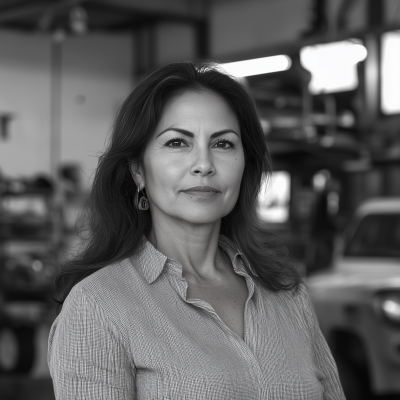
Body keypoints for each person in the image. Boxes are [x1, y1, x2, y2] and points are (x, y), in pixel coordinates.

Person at [48, 61, 345, 400]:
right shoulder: (97, 306)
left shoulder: (287, 295)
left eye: (223, 144)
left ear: (244, 165)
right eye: (177, 143)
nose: (204, 164)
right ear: (138, 172)